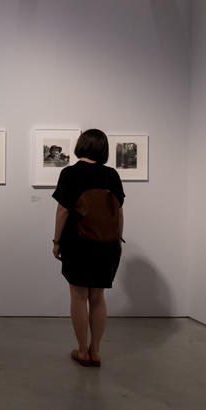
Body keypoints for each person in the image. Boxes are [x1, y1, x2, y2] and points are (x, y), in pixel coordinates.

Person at [52, 129, 125, 368]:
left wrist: (56, 241)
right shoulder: (111, 174)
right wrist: (118, 239)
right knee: (98, 297)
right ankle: (96, 351)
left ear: (80, 146)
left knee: (78, 296)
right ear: (103, 149)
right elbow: (119, 211)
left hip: (78, 242)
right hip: (106, 244)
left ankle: (82, 351)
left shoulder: (69, 173)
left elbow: (63, 210)